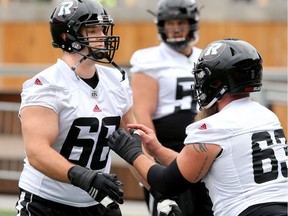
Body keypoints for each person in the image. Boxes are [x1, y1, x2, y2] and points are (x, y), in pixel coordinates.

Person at [108, 38, 288, 216]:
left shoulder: (214, 127)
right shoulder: (266, 116)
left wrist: (132, 153)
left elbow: (167, 183)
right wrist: (157, 149)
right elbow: (195, 167)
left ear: (217, 83)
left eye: (204, 77)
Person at [15, 0, 132, 215]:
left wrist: (159, 192)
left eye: (102, 29)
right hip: (47, 201)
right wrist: (87, 177)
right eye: (93, 30)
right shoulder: (46, 85)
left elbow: (133, 146)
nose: (103, 36)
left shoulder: (117, 81)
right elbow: (37, 152)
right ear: (67, 37)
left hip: (96, 200)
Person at [129, 0, 213, 215]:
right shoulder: (148, 59)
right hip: (167, 144)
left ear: (192, 23)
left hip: (204, 146)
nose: (175, 28)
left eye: (181, 22)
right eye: (170, 23)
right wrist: (149, 158)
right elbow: (142, 113)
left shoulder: (206, 57)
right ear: (161, 26)